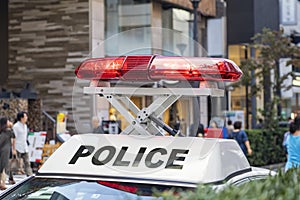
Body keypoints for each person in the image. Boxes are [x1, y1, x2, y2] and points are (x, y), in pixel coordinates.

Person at [12, 112, 33, 176]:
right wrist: (13, 148)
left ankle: (29, 175)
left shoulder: (25, 126)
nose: (26, 118)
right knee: (15, 164)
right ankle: (11, 177)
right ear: (21, 118)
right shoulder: (16, 126)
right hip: (17, 146)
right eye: (25, 116)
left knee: (27, 162)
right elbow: (13, 137)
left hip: (24, 146)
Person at [0, 117, 16, 190]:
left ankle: (2, 182)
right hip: (5, 151)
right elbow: (14, 136)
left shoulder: (2, 131)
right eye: (8, 121)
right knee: (4, 167)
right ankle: (2, 183)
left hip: (3, 150)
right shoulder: (8, 131)